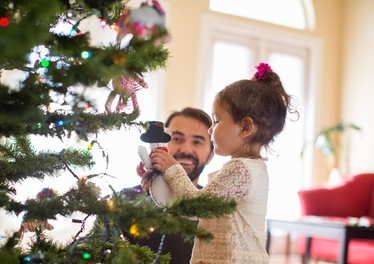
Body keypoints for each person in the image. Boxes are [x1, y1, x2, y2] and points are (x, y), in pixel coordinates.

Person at [146, 62, 298, 263]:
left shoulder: (240, 170)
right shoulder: (252, 168)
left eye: (216, 121)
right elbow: (192, 210)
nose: (210, 130)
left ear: (245, 127)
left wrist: (172, 168)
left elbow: (195, 206)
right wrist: (160, 184)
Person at [121, 107, 215, 264]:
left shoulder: (215, 209)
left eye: (197, 142)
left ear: (210, 156)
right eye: (177, 139)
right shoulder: (124, 200)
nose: (186, 149)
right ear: (160, 144)